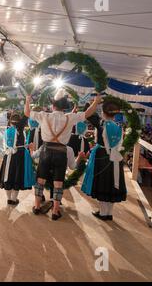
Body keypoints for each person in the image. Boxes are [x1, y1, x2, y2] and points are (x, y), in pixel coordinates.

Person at [25, 90, 101, 220]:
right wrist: (96, 101)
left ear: (53, 105)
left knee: (40, 180)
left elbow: (27, 112)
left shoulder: (44, 115)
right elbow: (88, 113)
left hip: (46, 150)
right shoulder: (69, 118)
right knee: (58, 183)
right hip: (61, 152)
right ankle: (55, 211)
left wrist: (27, 100)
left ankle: (37, 206)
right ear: (64, 106)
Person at [81, 100, 127, 221]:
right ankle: (109, 213)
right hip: (115, 157)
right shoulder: (118, 127)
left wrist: (93, 103)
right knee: (112, 183)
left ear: (104, 113)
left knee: (102, 183)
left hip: (102, 156)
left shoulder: (102, 124)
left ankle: (102, 213)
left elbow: (88, 113)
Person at [0, 100, 35, 205]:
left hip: (8, 155)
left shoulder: (7, 130)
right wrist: (27, 100)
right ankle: (14, 199)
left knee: (8, 176)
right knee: (16, 176)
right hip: (19, 156)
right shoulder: (20, 128)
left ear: (10, 122)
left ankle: (9, 198)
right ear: (20, 123)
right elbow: (27, 114)